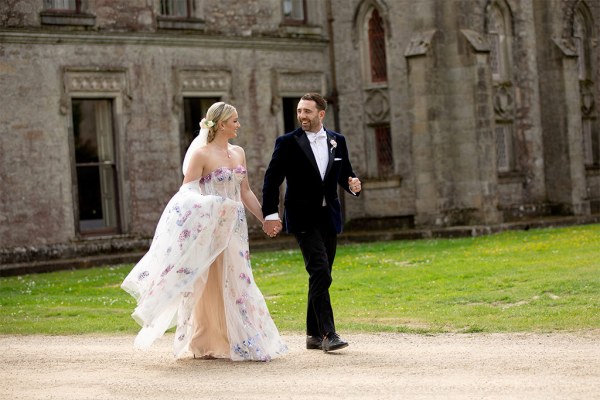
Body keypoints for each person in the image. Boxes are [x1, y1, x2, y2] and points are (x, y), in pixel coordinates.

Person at [121, 102, 288, 361]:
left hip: (235, 227)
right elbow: (186, 195)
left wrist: (265, 218)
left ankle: (243, 339)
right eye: (234, 121)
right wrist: (214, 205)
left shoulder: (239, 152)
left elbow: (245, 192)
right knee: (208, 281)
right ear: (221, 124)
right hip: (210, 227)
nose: (238, 125)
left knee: (238, 278)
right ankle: (205, 341)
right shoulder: (201, 154)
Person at [262, 93, 362, 352]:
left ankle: (312, 335)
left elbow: (344, 173)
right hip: (302, 217)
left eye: (307, 111)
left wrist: (352, 185)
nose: (301, 116)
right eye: (299, 111)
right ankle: (329, 334)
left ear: (321, 114)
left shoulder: (337, 141)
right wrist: (271, 214)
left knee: (320, 275)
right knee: (320, 271)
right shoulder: (287, 143)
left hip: (329, 217)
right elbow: (272, 180)